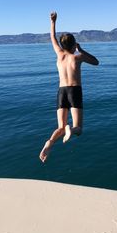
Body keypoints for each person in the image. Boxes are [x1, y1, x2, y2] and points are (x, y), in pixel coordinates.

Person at [39, 12, 99, 163]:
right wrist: (81, 50)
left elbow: (52, 38)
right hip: (74, 91)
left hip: (61, 92)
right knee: (78, 129)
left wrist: (53, 22)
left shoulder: (59, 54)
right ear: (73, 45)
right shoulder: (77, 57)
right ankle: (70, 129)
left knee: (60, 127)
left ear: (62, 45)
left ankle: (49, 143)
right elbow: (96, 62)